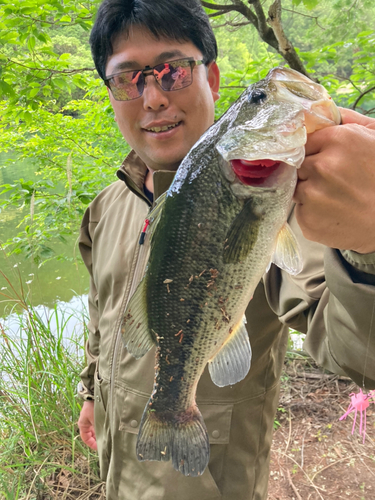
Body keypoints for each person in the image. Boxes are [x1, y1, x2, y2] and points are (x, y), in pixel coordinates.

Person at [77, 0, 375, 498]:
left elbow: (353, 350)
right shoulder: (105, 209)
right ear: (111, 94)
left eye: (172, 71)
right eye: (129, 79)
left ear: (211, 80)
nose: (152, 98)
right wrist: (91, 392)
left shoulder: (289, 203)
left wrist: (368, 245)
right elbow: (104, 315)